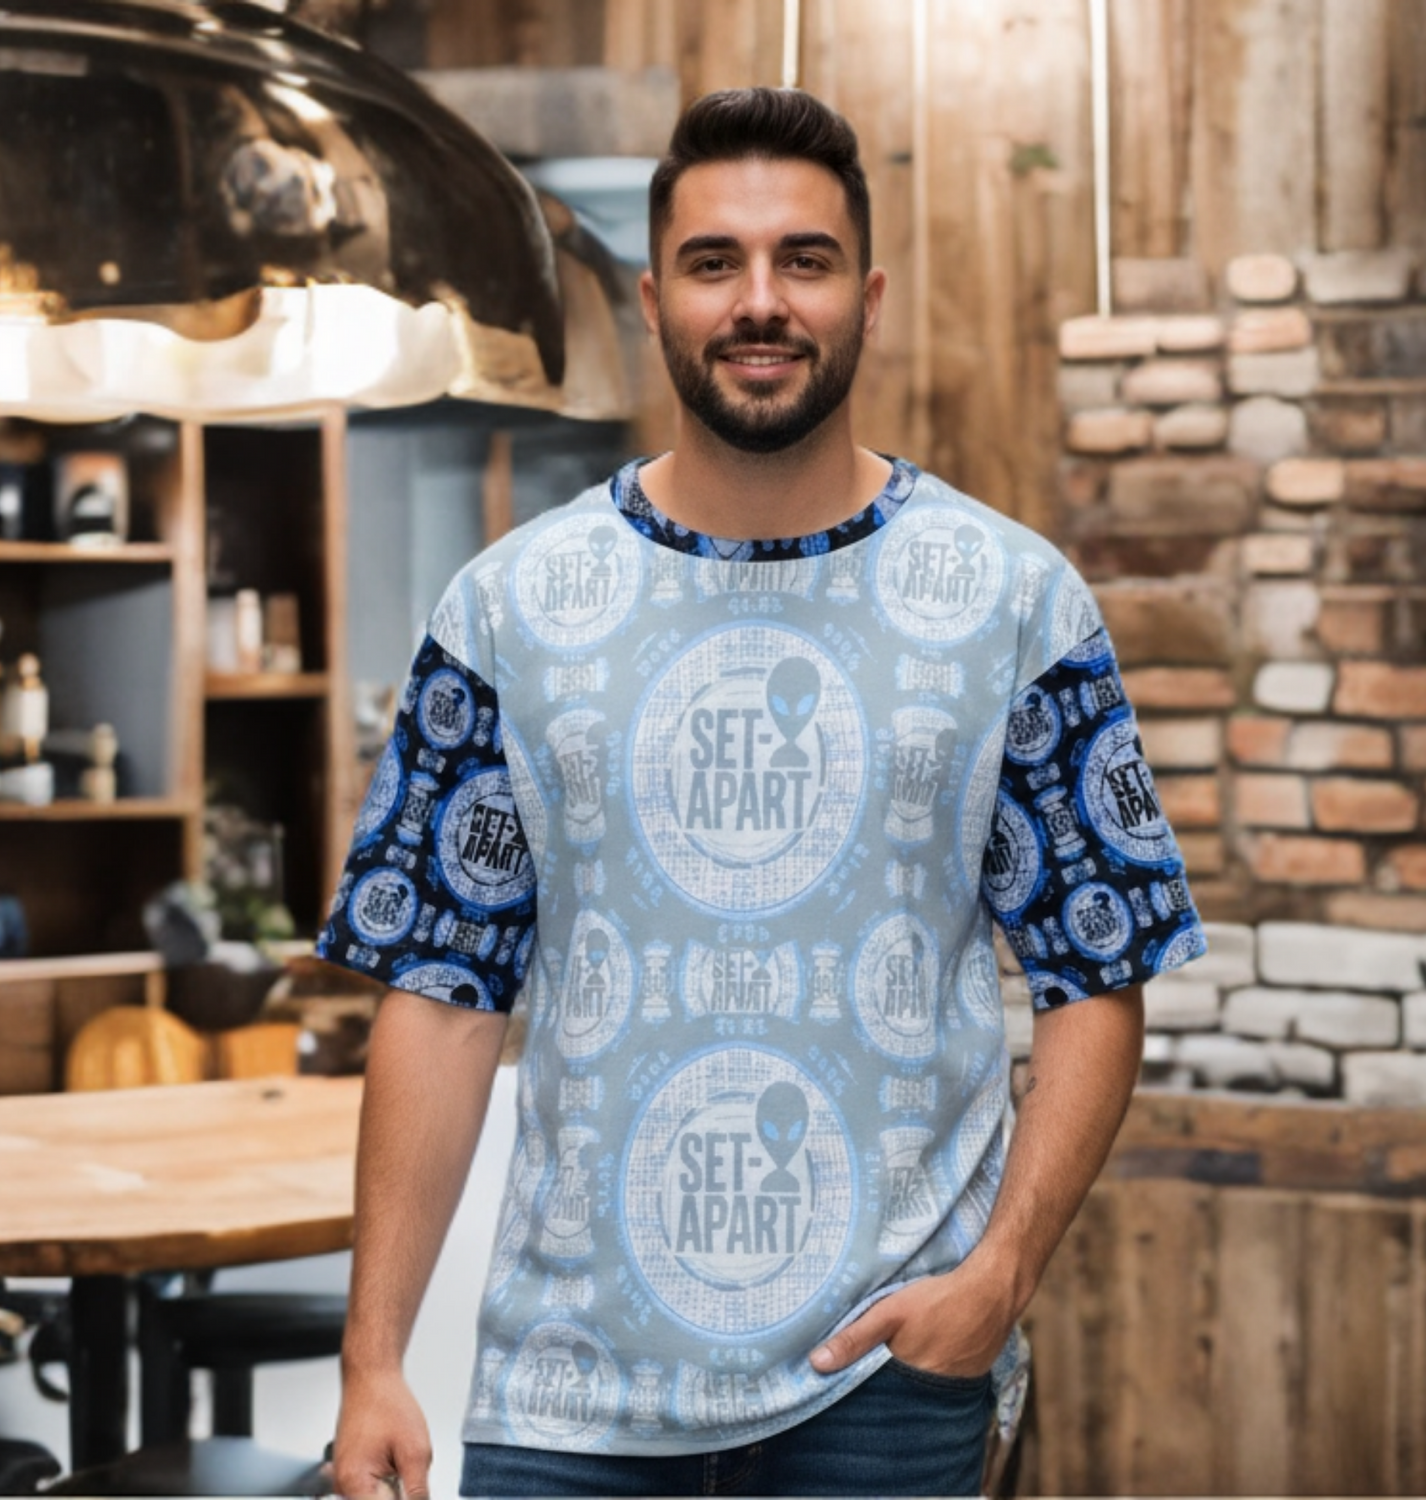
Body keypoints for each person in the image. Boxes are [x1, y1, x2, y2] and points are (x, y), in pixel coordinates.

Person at [320, 86, 1207, 1499]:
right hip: (568, 1393)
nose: (760, 301)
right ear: (659, 295)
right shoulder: (510, 611)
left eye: (801, 260)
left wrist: (1002, 1274)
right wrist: (376, 1358)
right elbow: (438, 993)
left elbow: (1100, 971)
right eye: (714, 261)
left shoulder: (1013, 602)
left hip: (881, 1390)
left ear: (866, 295)